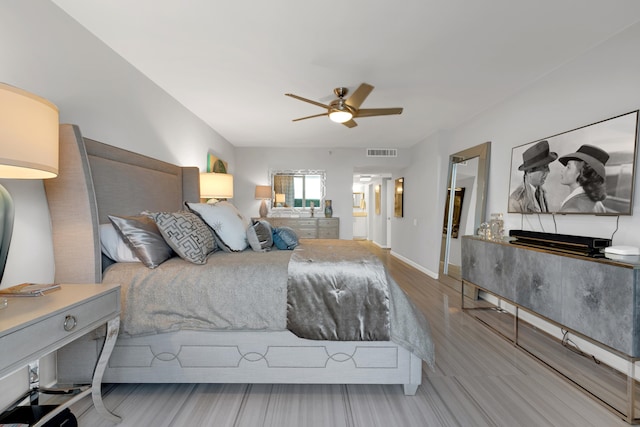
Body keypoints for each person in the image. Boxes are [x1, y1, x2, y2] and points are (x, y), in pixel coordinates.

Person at [508, 140, 557, 213]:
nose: (548, 171)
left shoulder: (541, 193)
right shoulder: (516, 200)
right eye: (544, 167)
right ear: (529, 171)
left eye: (547, 167)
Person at [558, 144, 608, 213]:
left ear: (581, 172)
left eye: (568, 167)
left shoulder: (572, 209)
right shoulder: (598, 204)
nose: (563, 170)